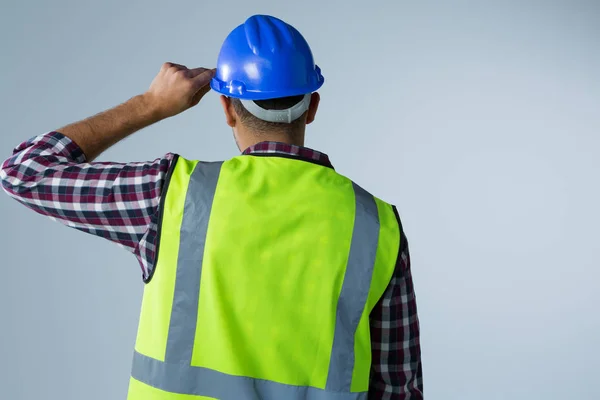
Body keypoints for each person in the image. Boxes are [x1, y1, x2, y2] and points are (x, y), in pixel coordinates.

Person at [0, 15, 423, 400]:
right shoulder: (377, 224)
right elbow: (398, 391)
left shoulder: (170, 195)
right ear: (312, 106)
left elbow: (23, 171)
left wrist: (151, 104)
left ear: (225, 107)